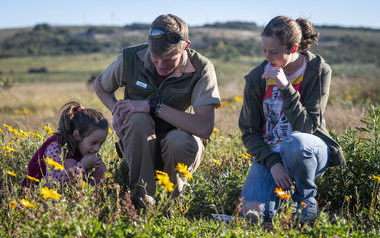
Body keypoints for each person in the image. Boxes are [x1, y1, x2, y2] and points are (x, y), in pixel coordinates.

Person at [93, 14, 221, 208]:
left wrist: (153, 107)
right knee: (137, 120)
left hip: (178, 144)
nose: (161, 65)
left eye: (170, 59)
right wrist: (116, 110)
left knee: (179, 140)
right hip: (139, 143)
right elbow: (100, 85)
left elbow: (204, 127)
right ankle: (141, 201)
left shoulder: (202, 68)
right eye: (155, 58)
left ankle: (173, 203)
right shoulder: (131, 58)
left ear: (186, 47)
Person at [239, 16, 345, 223]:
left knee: (295, 143)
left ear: (293, 48)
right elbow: (249, 131)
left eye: (274, 52)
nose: (267, 57)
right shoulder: (256, 78)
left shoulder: (317, 70)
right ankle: (280, 206)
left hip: (308, 150)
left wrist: (285, 88)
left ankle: (306, 203)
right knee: (253, 217)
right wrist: (273, 163)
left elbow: (307, 126)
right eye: (264, 50)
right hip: (272, 154)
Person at [21, 101, 108, 188]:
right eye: (94, 143)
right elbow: (53, 182)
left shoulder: (81, 146)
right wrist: (83, 165)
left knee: (98, 166)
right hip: (34, 194)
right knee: (70, 163)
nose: (97, 148)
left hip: (60, 192)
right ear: (77, 136)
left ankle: (98, 197)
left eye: (101, 143)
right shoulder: (56, 146)